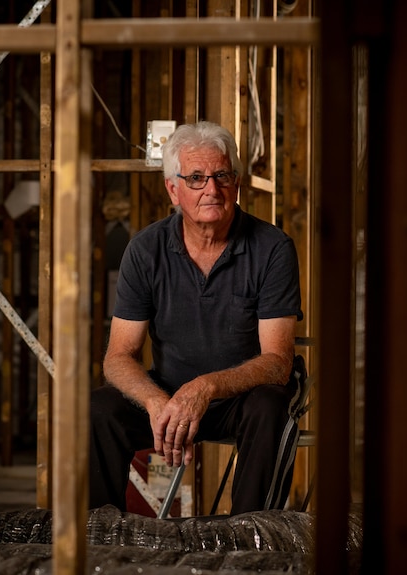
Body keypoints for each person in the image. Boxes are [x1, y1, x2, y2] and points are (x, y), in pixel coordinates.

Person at [89, 121, 304, 515]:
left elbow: (277, 362)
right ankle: (100, 538)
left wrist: (204, 388)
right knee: (99, 411)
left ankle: (251, 540)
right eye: (197, 178)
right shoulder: (145, 250)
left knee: (271, 408)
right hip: (169, 397)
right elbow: (118, 357)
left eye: (222, 175)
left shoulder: (272, 248)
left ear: (236, 182)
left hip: (242, 398)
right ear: (173, 189)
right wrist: (156, 402)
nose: (212, 189)